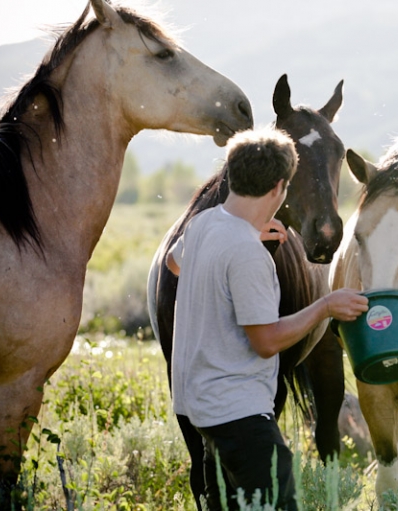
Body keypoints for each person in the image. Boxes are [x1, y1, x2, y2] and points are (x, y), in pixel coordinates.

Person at [166, 127, 368, 511]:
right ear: (279, 187)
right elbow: (266, 342)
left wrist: (242, 240)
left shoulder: (204, 224)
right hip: (238, 415)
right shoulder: (246, 252)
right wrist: (326, 305)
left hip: (199, 408)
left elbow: (174, 264)